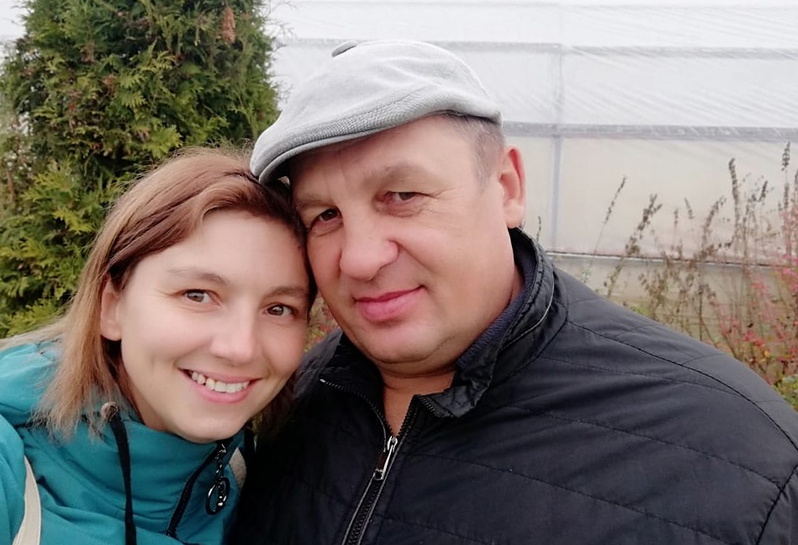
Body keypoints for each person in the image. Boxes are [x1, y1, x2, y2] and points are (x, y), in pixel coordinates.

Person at [232, 40, 798, 544]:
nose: (358, 259)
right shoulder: (284, 404)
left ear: (506, 187)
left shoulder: (737, 460)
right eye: (324, 215)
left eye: (402, 196)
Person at [0, 148, 314, 545]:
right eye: (197, 295)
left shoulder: (252, 473)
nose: (241, 348)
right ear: (111, 307)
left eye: (278, 308)